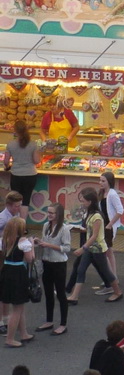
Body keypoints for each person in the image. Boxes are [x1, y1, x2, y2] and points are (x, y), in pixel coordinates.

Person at [34, 203, 68, 336]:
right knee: (48, 292)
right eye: (48, 212)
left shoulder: (64, 229)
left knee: (60, 293)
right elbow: (44, 241)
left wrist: (48, 245)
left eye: (52, 213)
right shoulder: (46, 226)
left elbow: (66, 248)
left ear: (58, 215)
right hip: (46, 262)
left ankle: (63, 324)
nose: (49, 215)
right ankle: (49, 320)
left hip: (59, 263)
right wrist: (39, 242)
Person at [0, 216, 32, 347]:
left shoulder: (4, 240)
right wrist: (32, 247)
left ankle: (24, 333)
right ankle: (10, 338)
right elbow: (30, 259)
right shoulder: (24, 242)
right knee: (18, 308)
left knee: (19, 306)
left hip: (6, 271)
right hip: (18, 273)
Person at [4, 122, 41, 216]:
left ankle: (15, 224)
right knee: (25, 201)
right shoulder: (33, 144)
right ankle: (22, 226)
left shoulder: (10, 144)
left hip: (16, 174)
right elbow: (37, 161)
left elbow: (6, 161)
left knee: (16, 200)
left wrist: (8, 167)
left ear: (15, 131)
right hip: (30, 174)